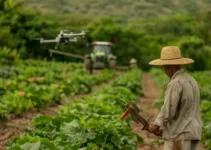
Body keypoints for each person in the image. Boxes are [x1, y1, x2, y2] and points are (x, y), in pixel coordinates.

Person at [148, 46, 202, 150]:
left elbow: (169, 110)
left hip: (179, 133)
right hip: (194, 131)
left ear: (171, 66)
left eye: (164, 67)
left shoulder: (175, 83)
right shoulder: (192, 80)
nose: (164, 70)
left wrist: (157, 124)